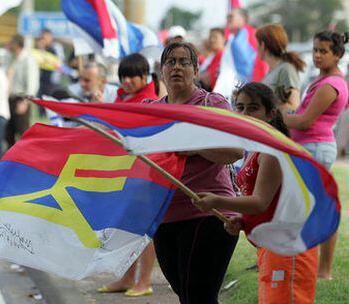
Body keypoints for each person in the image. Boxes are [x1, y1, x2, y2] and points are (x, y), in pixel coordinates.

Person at [194, 82, 318, 304]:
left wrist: (217, 201)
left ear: (270, 114)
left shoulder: (273, 150)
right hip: (271, 245)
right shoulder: (257, 148)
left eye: (253, 108)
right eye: (239, 108)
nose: (244, 114)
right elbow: (270, 202)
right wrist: (243, 220)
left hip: (288, 247)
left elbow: (260, 202)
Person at [145, 41, 242, 304]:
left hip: (210, 213)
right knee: (187, 296)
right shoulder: (150, 111)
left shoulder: (212, 104)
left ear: (196, 70)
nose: (177, 67)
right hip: (165, 217)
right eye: (170, 62)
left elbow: (235, 151)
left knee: (199, 297)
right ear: (161, 71)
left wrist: (194, 146)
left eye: (184, 62)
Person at [284, 30, 349, 280]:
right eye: (315, 50)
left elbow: (304, 121)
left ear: (337, 55)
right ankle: (318, 269)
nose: (318, 55)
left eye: (324, 51)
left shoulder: (332, 84)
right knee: (316, 208)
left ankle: (321, 270)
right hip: (310, 147)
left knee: (314, 209)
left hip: (315, 148)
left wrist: (277, 117)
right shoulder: (323, 80)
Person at [98, 53, 159, 297]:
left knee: (144, 231)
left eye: (132, 76)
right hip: (123, 173)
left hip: (144, 175)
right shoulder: (123, 98)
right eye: (123, 76)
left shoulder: (151, 103)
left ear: (145, 76)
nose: (127, 81)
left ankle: (144, 281)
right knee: (124, 229)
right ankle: (125, 277)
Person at [256, 24, 306, 112]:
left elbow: (294, 107)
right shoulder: (272, 70)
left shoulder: (286, 69)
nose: (256, 48)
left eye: (257, 44)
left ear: (262, 45)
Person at [6, 34, 40, 147]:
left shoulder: (28, 59)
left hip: (21, 99)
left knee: (23, 134)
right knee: (8, 134)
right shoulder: (12, 58)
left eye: (11, 43)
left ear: (17, 44)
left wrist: (26, 102)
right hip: (10, 98)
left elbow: (32, 83)